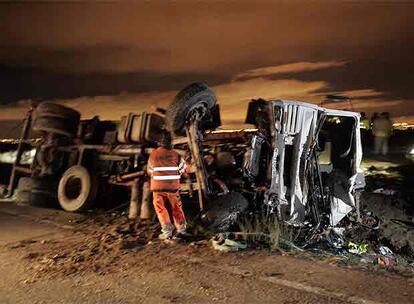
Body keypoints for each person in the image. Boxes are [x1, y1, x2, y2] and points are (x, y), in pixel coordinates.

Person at [147, 131, 188, 240]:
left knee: (160, 209)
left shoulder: (153, 155)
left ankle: (167, 232)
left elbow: (150, 170)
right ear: (170, 143)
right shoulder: (175, 154)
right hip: (172, 188)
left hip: (157, 188)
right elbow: (183, 169)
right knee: (176, 208)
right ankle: (181, 229)